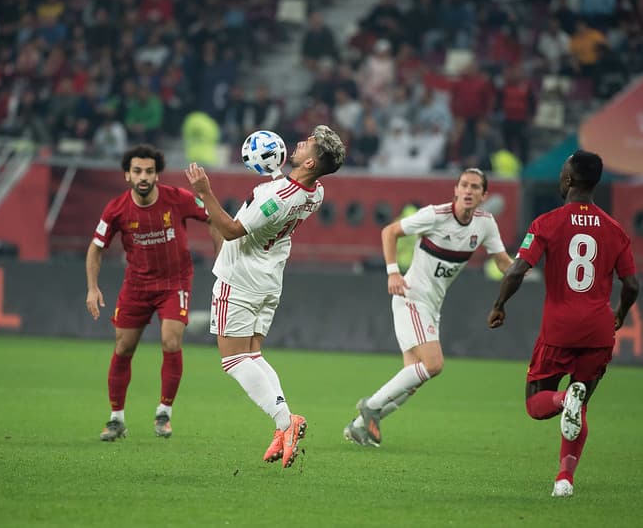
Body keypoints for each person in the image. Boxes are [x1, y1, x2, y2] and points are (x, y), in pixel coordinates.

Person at [184, 125, 346, 468]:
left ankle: (287, 421)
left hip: (240, 280)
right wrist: (273, 180)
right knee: (254, 356)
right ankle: (280, 425)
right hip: (269, 280)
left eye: (310, 144)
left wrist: (204, 192)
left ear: (312, 163)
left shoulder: (277, 198)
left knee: (233, 361)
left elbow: (230, 231)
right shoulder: (316, 193)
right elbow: (285, 190)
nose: (302, 142)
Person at [488, 151, 638, 498]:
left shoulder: (547, 223)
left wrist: (499, 305)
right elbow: (631, 286)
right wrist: (619, 314)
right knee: (579, 407)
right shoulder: (615, 230)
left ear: (569, 180)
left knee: (538, 403)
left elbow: (517, 270)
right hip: (599, 331)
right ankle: (564, 479)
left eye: (562, 172)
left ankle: (562, 399)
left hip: (559, 329)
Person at [344, 168, 514, 447]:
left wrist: (527, 268)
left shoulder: (484, 224)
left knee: (413, 380)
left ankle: (359, 427)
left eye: (474, 187)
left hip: (432, 306)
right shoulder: (436, 215)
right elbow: (390, 232)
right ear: (456, 190)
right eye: (464, 185)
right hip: (411, 297)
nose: (468, 191)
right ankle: (371, 406)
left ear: (484, 195)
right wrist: (392, 272)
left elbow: (503, 263)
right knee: (434, 365)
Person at [86, 144, 220, 441]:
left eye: (149, 171)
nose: (143, 176)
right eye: (137, 171)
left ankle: (164, 413)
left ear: (157, 174)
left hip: (175, 282)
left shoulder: (178, 199)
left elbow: (214, 219)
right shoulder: (116, 209)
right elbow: (95, 248)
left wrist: (222, 258)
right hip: (136, 286)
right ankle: (116, 419)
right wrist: (92, 288)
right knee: (123, 348)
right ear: (127, 175)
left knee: (171, 341)